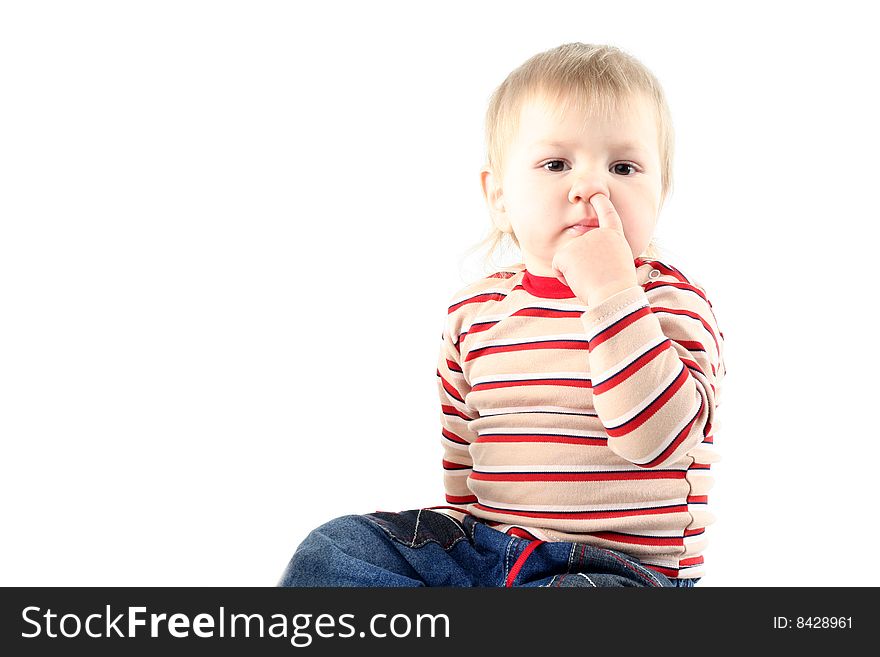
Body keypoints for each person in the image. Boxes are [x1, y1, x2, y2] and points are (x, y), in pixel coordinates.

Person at [278, 42, 725, 588]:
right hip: (493, 553)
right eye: (556, 163)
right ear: (500, 196)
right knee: (333, 551)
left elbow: (655, 440)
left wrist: (612, 291)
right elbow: (464, 467)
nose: (592, 186)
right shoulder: (475, 314)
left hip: (621, 574)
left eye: (624, 166)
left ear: (660, 192)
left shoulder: (670, 303)